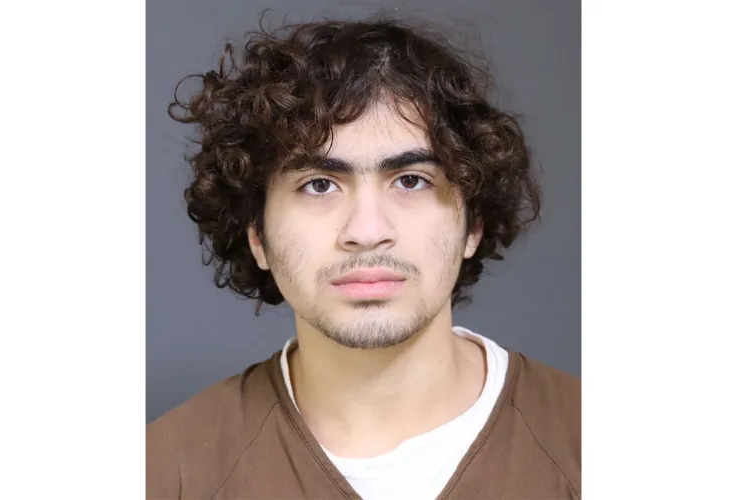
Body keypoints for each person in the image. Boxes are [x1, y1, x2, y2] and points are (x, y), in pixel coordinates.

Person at [147, 13, 580, 500]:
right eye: (319, 185)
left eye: (411, 181)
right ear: (257, 235)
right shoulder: (163, 472)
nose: (367, 232)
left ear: (473, 225)